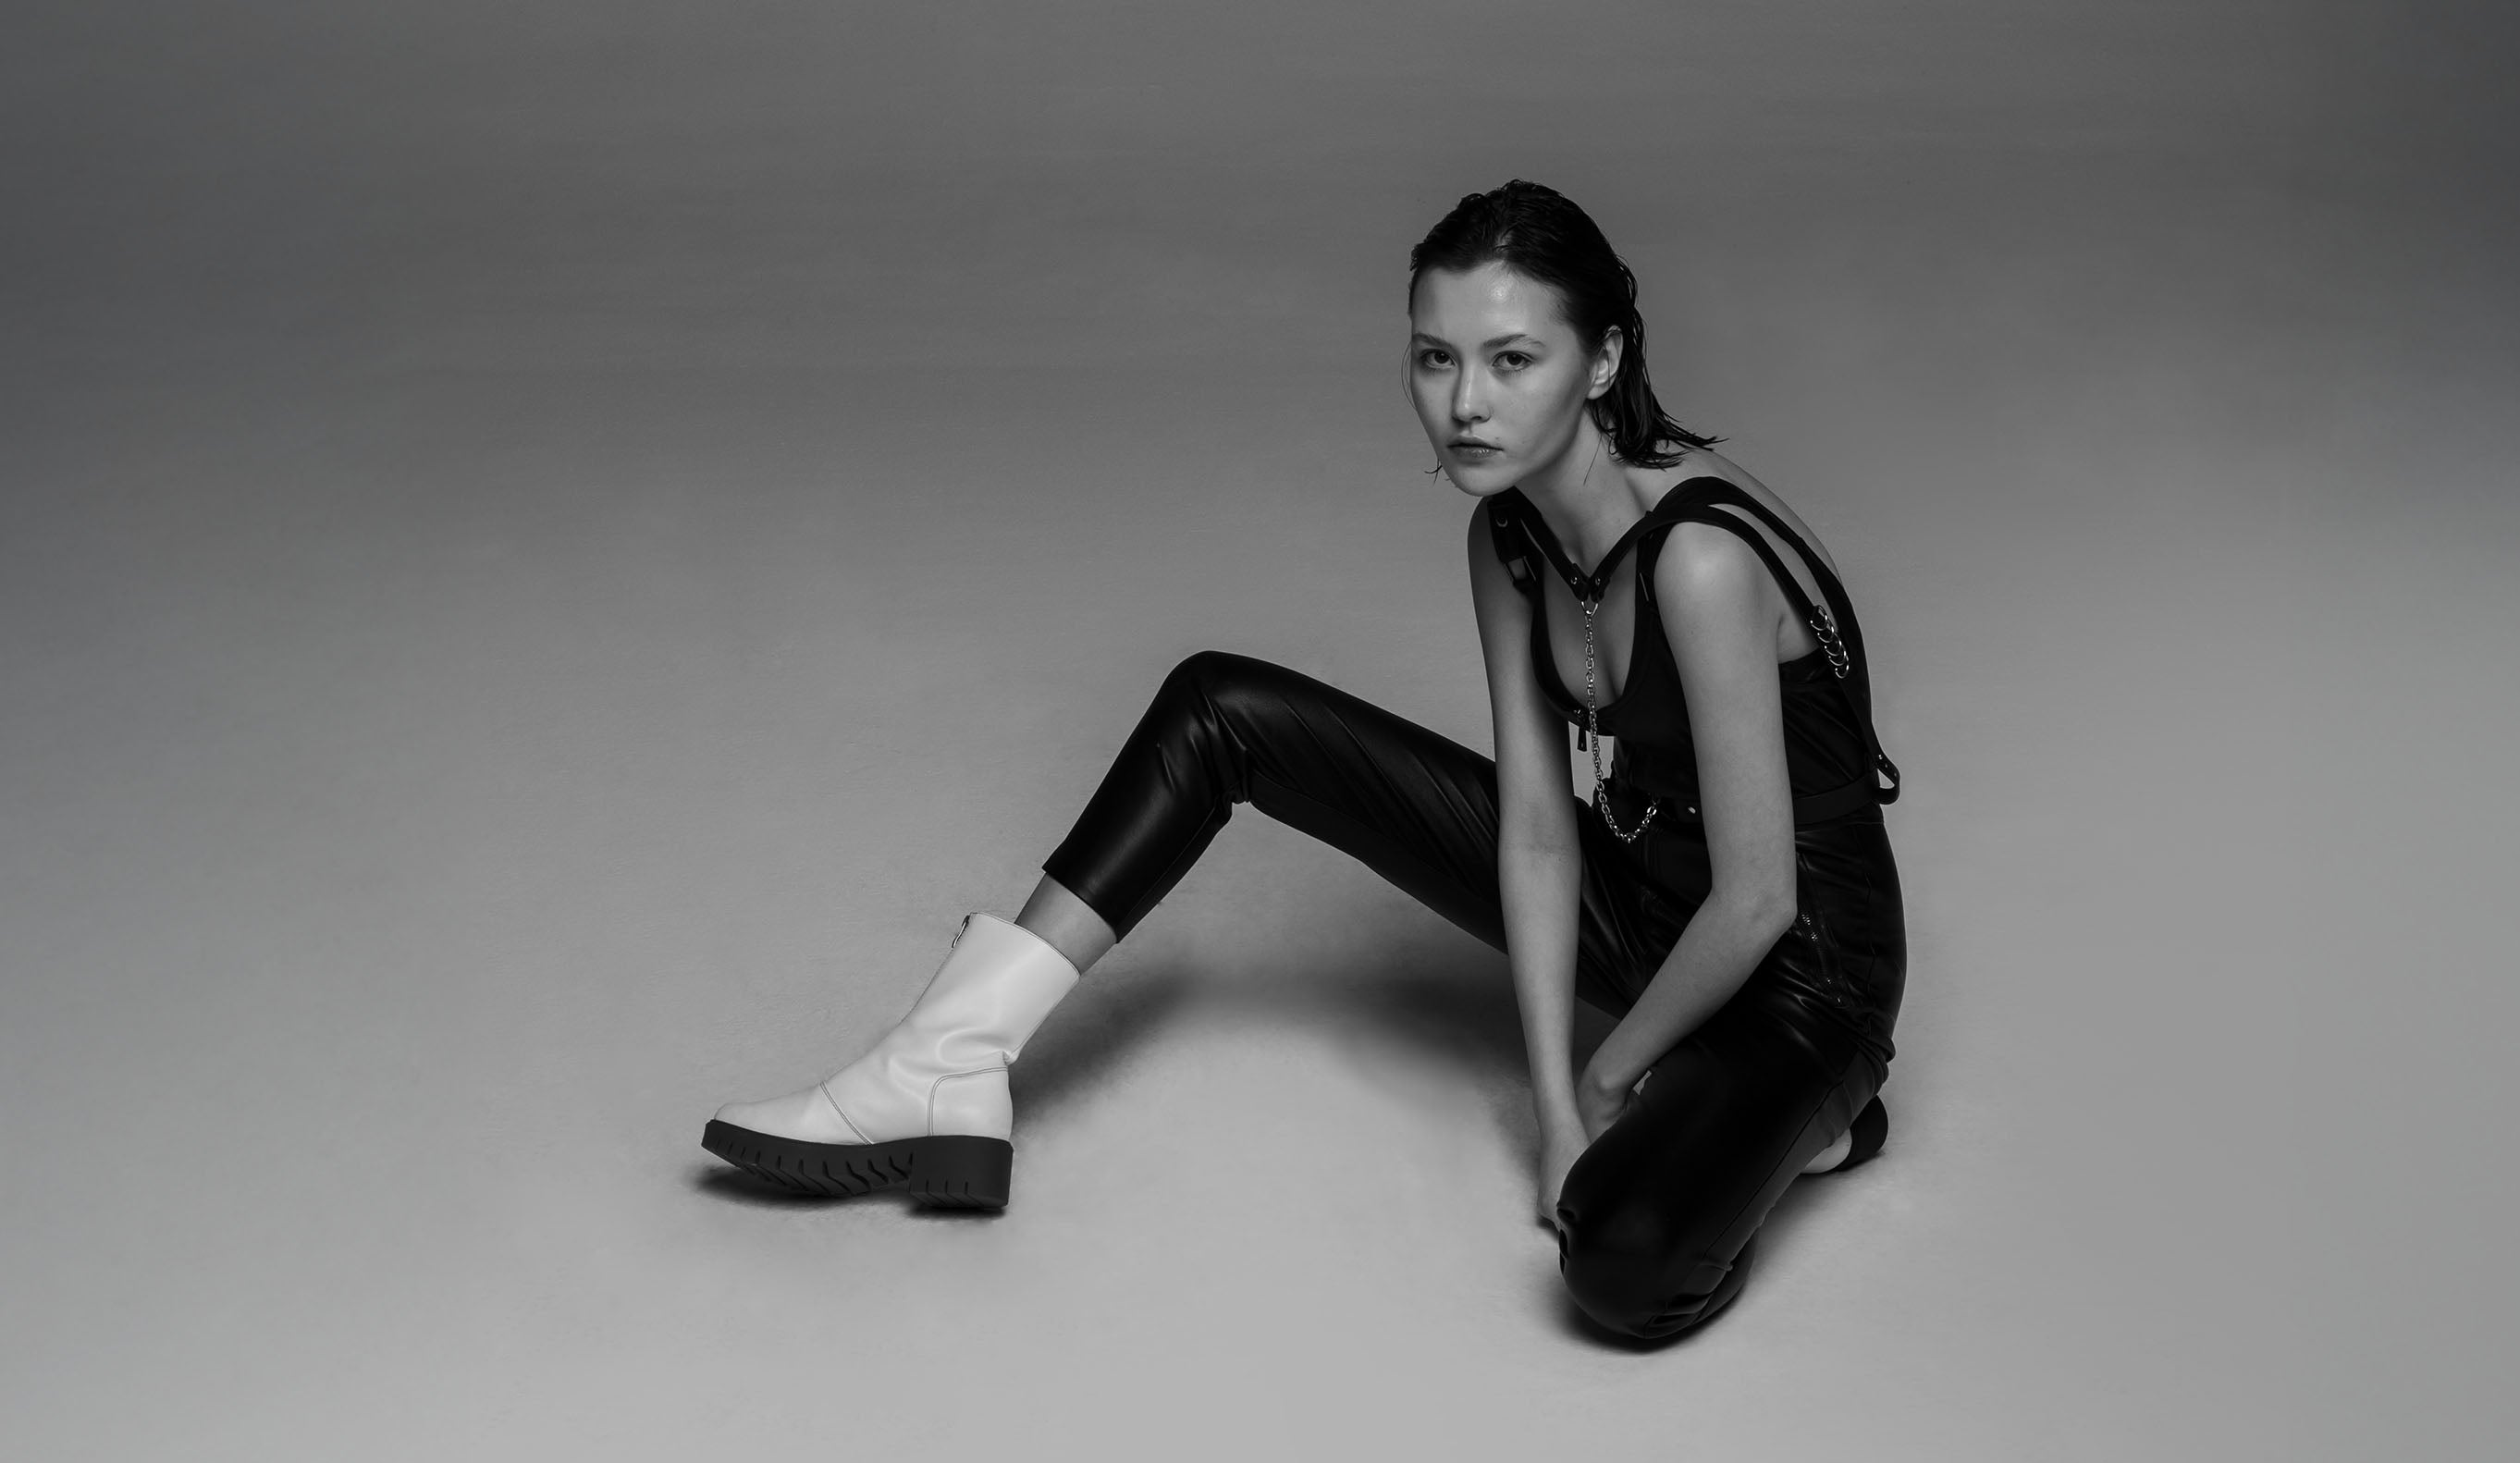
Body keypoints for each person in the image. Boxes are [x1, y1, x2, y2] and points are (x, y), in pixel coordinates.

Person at [703, 179, 1906, 1340]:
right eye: (1435, 358)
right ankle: (948, 1055)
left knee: (1622, 1266)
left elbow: (1758, 898)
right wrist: (1552, 1100)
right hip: (1642, 902)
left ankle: (1820, 1122)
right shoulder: (1513, 539)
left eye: (1512, 359)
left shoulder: (1700, 558)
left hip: (1800, 973)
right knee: (1222, 706)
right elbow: (1538, 829)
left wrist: (1610, 1087)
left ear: (1603, 361)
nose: (1465, 405)